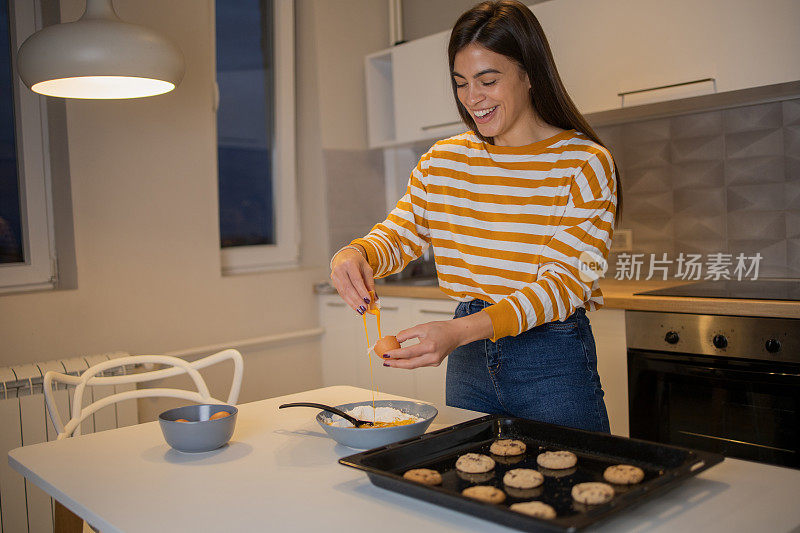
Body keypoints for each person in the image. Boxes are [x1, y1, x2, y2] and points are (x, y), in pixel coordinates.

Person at [329, 0, 618, 433]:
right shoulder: (443, 160)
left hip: (550, 358)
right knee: (471, 483)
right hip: (468, 360)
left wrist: (458, 331)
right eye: (461, 83)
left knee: (573, 486)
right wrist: (356, 254)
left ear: (529, 73)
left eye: (487, 80)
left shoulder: (585, 163)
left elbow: (564, 285)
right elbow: (401, 232)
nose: (472, 98)